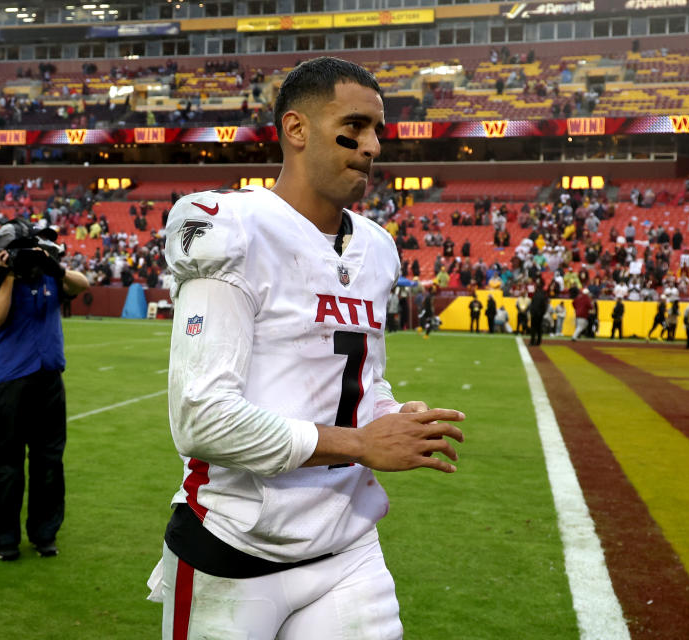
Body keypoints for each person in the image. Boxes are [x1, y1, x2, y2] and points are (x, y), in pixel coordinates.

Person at [146, 57, 465, 640]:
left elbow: (364, 383)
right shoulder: (231, 227)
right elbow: (201, 420)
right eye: (355, 125)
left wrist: (392, 418)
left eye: (378, 130)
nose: (371, 146)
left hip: (346, 544)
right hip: (234, 547)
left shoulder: (376, 248)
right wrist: (362, 443)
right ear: (295, 129)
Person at [0, 220, 89, 562]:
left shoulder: (53, 277)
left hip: (49, 376)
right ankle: (5, 538)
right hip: (11, 379)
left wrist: (54, 265)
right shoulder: (2, 283)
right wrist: (12, 275)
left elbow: (82, 284)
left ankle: (44, 533)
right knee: (9, 462)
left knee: (49, 460)